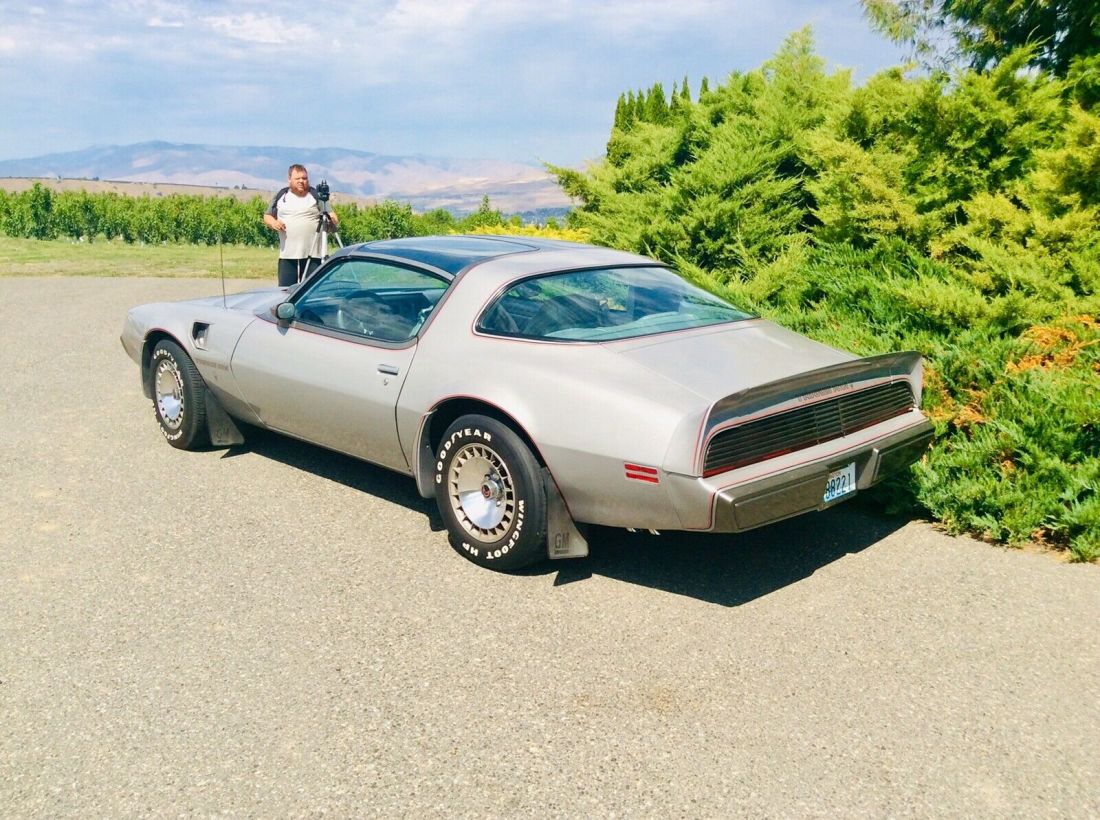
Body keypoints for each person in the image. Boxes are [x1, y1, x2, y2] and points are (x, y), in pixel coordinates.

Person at [263, 164, 339, 287]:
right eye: (297, 178)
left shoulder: (315, 196)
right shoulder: (281, 196)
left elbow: (333, 216)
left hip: (314, 254)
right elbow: (267, 216)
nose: (301, 181)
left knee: (311, 290)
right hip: (287, 254)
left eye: (304, 178)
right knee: (285, 291)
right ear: (289, 179)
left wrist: (331, 222)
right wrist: (274, 223)